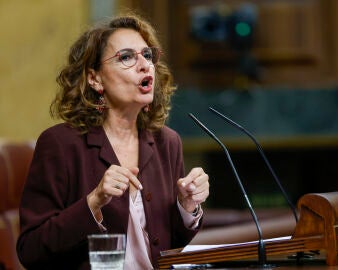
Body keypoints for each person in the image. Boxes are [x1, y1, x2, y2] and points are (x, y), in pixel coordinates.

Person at [16, 13, 210, 270]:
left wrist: (187, 206)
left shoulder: (167, 142)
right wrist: (94, 201)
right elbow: (30, 250)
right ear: (94, 79)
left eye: (147, 55)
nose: (144, 65)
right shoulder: (60, 144)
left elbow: (169, 244)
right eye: (127, 57)